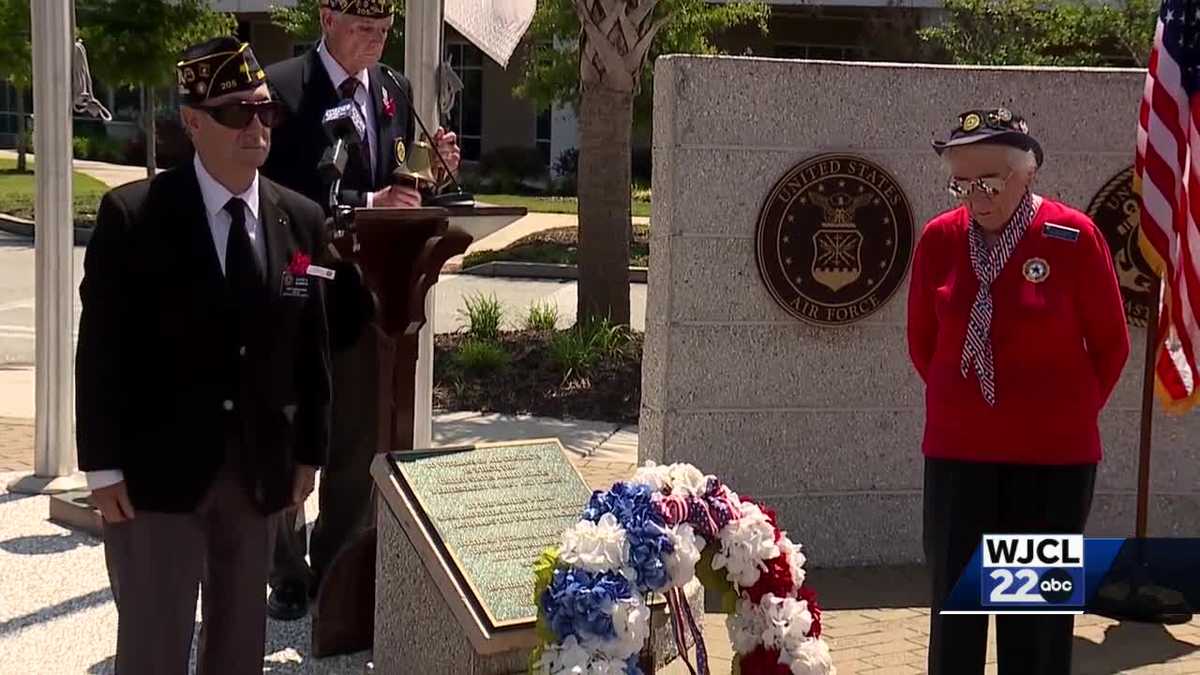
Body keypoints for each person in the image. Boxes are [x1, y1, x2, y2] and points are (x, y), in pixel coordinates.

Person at [75, 36, 332, 674]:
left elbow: (310, 341)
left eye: (265, 110)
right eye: (234, 112)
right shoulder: (134, 219)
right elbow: (101, 349)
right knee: (157, 642)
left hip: (256, 470)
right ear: (193, 122)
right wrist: (101, 468)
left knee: (239, 642)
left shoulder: (298, 221)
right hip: (158, 473)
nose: (255, 125)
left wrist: (310, 450)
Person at [907, 108, 1131, 674]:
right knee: (957, 617)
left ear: (1027, 172)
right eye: (961, 182)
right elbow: (924, 344)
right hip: (960, 460)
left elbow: (1110, 346)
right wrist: (968, 410)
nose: (975, 197)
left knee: (1033, 626)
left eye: (989, 181)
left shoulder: (1071, 237)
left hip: (1048, 467)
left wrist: (1061, 415)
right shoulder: (940, 239)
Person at [259, 0, 462, 621]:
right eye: (363, 28)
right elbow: (270, 184)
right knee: (292, 434)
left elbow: (404, 179)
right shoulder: (286, 86)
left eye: (383, 30)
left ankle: (337, 565)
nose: (375, 41)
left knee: (355, 441)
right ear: (327, 19)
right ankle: (286, 571)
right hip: (297, 292)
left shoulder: (394, 89)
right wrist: (365, 197)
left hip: (369, 297)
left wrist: (439, 172)